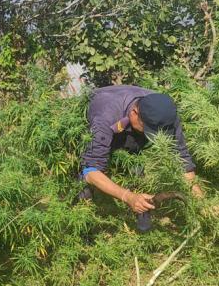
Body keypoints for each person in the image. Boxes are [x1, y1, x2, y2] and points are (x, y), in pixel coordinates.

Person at [79, 85, 203, 214]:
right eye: (149, 130)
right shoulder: (105, 114)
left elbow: (182, 162)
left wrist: (202, 204)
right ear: (134, 112)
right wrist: (127, 196)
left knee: (136, 175)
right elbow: (90, 171)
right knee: (88, 190)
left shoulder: (166, 116)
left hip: (130, 133)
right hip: (91, 132)